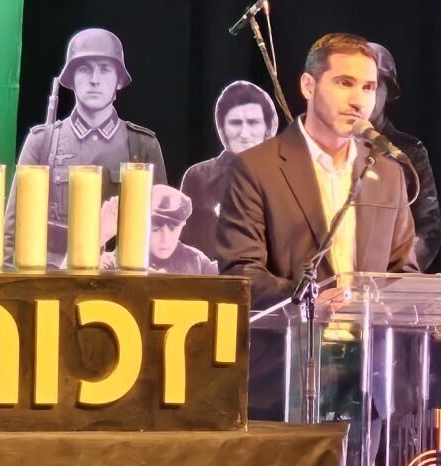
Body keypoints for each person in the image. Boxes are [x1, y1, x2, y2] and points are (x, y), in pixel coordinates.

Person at [214, 32, 417, 310]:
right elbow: (240, 273)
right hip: (294, 334)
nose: (359, 101)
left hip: (369, 336)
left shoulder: (387, 173)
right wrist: (309, 300)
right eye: (345, 83)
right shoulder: (256, 168)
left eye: (368, 87)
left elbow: (403, 273)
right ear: (309, 86)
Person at [2, 28, 166, 269]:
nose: (94, 79)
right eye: (84, 69)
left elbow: (161, 229)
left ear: (119, 81)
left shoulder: (142, 145)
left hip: (121, 278)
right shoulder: (42, 142)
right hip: (54, 277)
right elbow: (13, 232)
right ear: (71, 79)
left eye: (105, 69)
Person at [180, 81, 279, 258]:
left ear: (267, 127)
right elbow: (185, 249)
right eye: (235, 123)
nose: (244, 133)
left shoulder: (286, 177)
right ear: (222, 128)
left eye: (253, 123)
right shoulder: (198, 178)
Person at [368, 42, 441, 270]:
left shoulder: (408, 151)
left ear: (388, 92)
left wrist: (398, 275)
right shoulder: (320, 148)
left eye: (374, 86)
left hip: (389, 278)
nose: (365, 95)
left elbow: (428, 228)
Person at [98, 185, 218, 275]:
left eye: (173, 228)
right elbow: (92, 277)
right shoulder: (121, 259)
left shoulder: (197, 261)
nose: (165, 239)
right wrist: (101, 236)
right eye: (155, 228)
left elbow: (224, 277)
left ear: (183, 225)